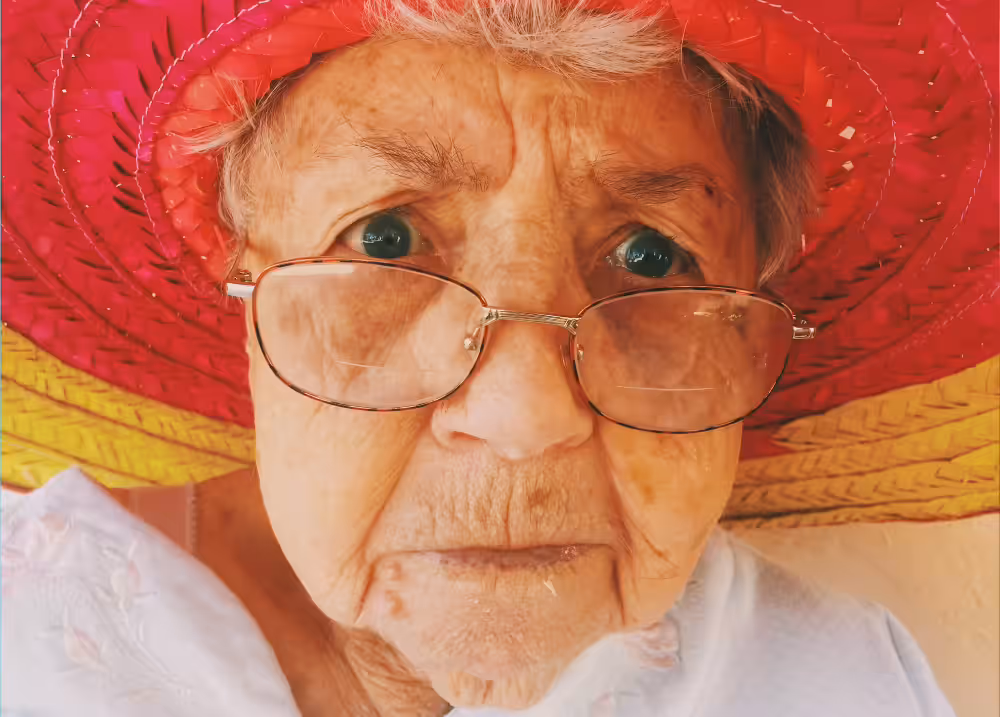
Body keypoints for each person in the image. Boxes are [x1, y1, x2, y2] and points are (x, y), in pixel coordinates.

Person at [2, 0, 995, 714]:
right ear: (248, 300)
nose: (526, 419)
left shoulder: (833, 677)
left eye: (652, 257)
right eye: (383, 239)